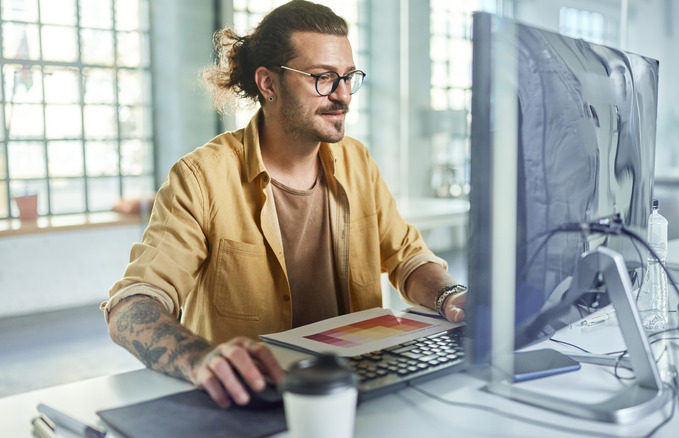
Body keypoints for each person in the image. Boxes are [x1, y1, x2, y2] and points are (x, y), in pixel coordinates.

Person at [101, 0, 467, 409]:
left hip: (357, 387)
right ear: (268, 84)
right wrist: (201, 359)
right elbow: (132, 306)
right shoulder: (200, 178)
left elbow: (409, 259)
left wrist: (451, 297)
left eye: (348, 77)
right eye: (324, 78)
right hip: (252, 398)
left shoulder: (358, 161)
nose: (343, 95)